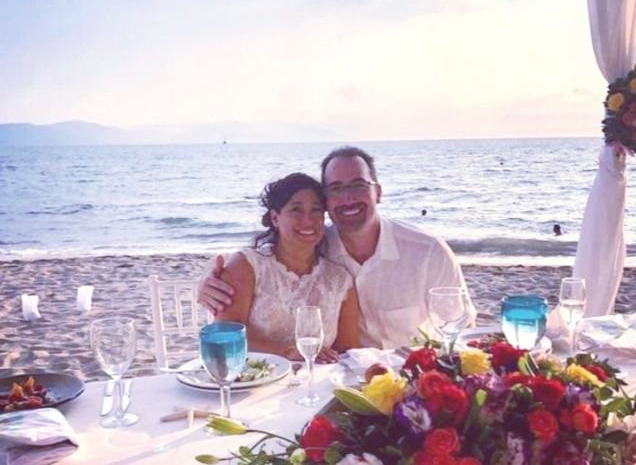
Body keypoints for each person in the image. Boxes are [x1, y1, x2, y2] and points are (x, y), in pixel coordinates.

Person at [199, 146, 476, 350]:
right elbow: (261, 262)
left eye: (358, 186)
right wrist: (206, 279)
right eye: (336, 189)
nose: (347, 198)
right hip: (342, 383)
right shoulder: (313, 244)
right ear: (328, 200)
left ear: (377, 192)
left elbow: (458, 328)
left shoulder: (427, 252)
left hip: (412, 378)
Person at [212, 172, 360, 363]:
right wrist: (287, 351)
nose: (308, 220)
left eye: (316, 210)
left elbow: (348, 353)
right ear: (275, 218)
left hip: (314, 386)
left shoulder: (340, 280)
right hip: (251, 383)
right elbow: (223, 335)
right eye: (296, 210)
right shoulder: (248, 265)